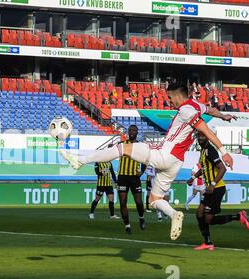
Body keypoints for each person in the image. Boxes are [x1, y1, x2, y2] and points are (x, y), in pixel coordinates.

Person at [60, 82, 236, 241]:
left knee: (123, 149)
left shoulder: (185, 109)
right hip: (175, 163)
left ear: (177, 95)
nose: (169, 102)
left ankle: (80, 160)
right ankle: (174, 214)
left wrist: (224, 151)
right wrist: (224, 116)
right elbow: (210, 110)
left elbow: (204, 128)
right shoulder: (196, 105)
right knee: (154, 199)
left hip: (165, 154)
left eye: (169, 97)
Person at [187, 131, 248, 250]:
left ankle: (238, 216)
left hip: (217, 188)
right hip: (209, 189)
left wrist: (213, 184)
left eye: (203, 136)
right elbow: (204, 168)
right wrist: (193, 177)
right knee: (199, 213)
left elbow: (222, 168)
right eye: (199, 136)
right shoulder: (203, 151)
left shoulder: (211, 150)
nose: (200, 138)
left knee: (208, 219)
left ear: (208, 138)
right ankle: (207, 242)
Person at [116, 125, 147, 234]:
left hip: (134, 177)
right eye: (129, 130)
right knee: (123, 202)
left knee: (138, 202)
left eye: (133, 130)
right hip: (122, 177)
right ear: (128, 132)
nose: (131, 132)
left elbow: (145, 160)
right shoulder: (122, 144)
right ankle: (127, 226)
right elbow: (111, 151)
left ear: (137, 132)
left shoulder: (140, 146)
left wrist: (142, 171)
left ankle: (141, 217)